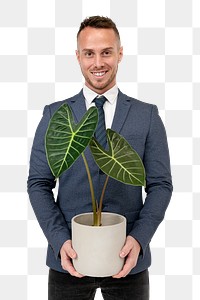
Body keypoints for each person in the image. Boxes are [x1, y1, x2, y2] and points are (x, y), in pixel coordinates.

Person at [27, 16, 173, 300]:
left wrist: (139, 240)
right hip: (68, 260)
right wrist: (59, 241)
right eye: (89, 53)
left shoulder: (147, 116)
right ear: (78, 57)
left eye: (106, 52)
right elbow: (38, 183)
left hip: (128, 261)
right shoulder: (56, 116)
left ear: (120, 53)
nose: (98, 63)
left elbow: (160, 185)